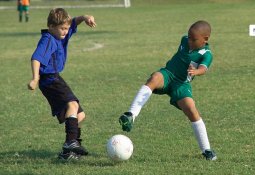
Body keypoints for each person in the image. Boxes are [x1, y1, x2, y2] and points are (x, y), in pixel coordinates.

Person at [119, 20, 217, 161]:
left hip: (181, 84)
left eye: (193, 39)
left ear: (205, 39)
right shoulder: (184, 40)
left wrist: (197, 71)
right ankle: (130, 115)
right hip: (168, 74)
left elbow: (204, 68)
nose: (189, 41)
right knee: (154, 78)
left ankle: (206, 150)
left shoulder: (206, 54)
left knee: (191, 109)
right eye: (189, 37)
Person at [28, 8, 96, 160]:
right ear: (51, 26)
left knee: (80, 114)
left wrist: (85, 17)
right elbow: (36, 58)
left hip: (55, 77)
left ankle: (69, 152)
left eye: (66, 28)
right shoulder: (48, 38)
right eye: (62, 28)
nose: (65, 31)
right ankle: (71, 143)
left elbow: (74, 22)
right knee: (73, 105)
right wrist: (35, 78)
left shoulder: (60, 35)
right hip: (49, 80)